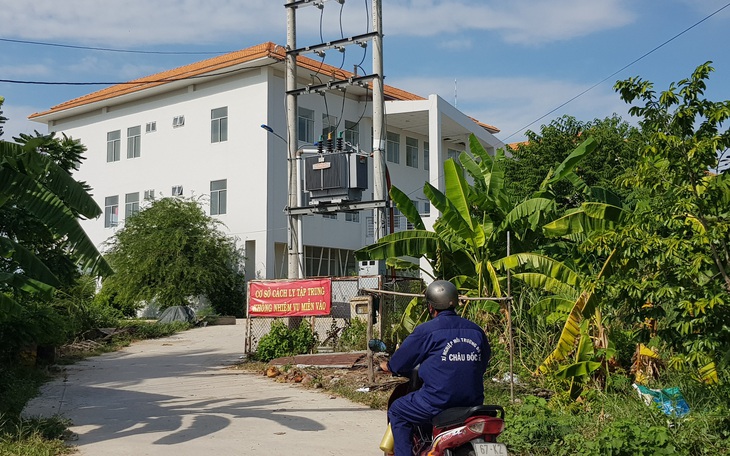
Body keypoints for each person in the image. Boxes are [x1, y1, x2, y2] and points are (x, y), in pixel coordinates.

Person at [380, 280, 491, 456]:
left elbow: (400, 363)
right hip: (473, 402)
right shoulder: (476, 330)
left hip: (436, 402)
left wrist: (388, 365)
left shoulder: (427, 330)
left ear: (431, 307)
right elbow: (482, 363)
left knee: (398, 410)